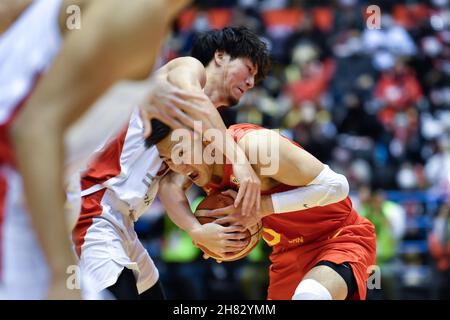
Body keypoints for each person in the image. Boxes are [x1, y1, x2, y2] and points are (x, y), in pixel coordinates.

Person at [0, 0, 233, 299]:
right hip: (30, 198)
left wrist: (143, 88)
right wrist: (60, 273)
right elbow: (34, 129)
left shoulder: (145, 33)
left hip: (69, 203)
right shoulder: (137, 22)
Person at [72, 27, 271, 299]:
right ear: (221, 56)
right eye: (249, 69)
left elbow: (171, 187)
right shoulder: (186, 70)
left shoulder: (210, 128)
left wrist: (197, 230)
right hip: (91, 205)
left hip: (122, 220)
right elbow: (194, 99)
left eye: (255, 79)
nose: (251, 82)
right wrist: (240, 162)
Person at [154, 122, 377, 300]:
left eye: (180, 152)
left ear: (203, 136)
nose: (178, 166)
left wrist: (263, 207)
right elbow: (168, 186)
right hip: (287, 254)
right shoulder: (196, 164)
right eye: (167, 159)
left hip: (339, 237)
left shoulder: (256, 147)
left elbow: (337, 186)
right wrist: (197, 232)